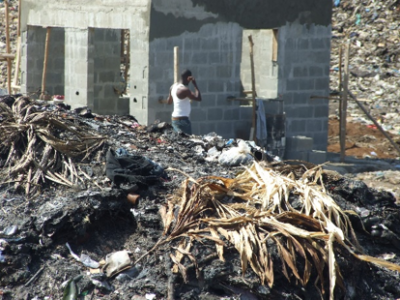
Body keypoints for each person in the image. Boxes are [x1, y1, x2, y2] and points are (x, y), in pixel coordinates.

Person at [166, 69, 201, 135]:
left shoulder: (173, 87)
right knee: (187, 141)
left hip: (174, 119)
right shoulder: (184, 89)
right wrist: (195, 84)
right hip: (183, 120)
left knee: (178, 141)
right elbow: (198, 98)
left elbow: (169, 102)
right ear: (188, 78)